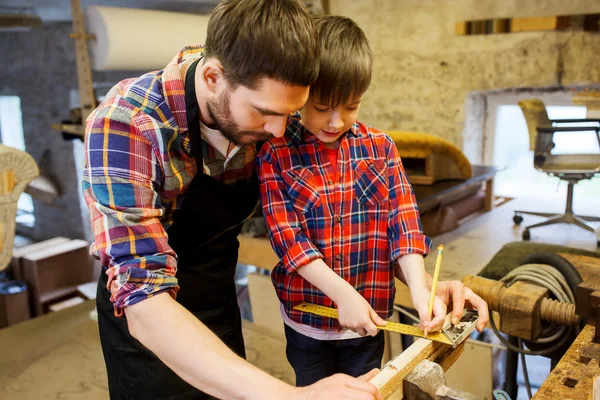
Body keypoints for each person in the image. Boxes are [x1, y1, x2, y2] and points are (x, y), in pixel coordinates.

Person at [82, 1, 384, 399]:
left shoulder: (267, 105)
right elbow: (143, 300)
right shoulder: (127, 124)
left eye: (291, 114)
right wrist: (290, 396)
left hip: (217, 297)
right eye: (265, 114)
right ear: (212, 77)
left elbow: (356, 179)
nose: (280, 133)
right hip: (151, 323)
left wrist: (419, 279)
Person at [257, 15, 490, 386]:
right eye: (321, 107)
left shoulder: (380, 149)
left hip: (371, 320)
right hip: (307, 323)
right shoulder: (276, 151)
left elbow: (403, 221)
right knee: (315, 393)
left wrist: (418, 287)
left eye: (351, 106)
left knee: (367, 390)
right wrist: (342, 294)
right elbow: (289, 242)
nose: (336, 121)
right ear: (301, 93)